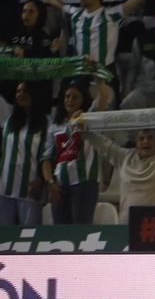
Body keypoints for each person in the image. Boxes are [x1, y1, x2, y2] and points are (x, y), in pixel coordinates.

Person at [44, 79, 112, 225]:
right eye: (67, 96)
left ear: (83, 99)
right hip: (60, 185)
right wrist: (50, 183)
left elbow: (104, 96)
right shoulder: (55, 125)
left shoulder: (90, 118)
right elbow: (46, 158)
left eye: (75, 96)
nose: (70, 100)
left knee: (80, 233)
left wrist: (98, 78)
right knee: (61, 236)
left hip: (85, 183)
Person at [0, 82, 50, 225]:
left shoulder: (46, 122)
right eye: (18, 91)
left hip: (30, 188)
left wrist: (42, 179)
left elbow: (48, 153)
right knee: (3, 237)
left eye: (26, 91)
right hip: (4, 187)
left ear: (34, 94)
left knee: (29, 235)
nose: (21, 94)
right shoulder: (9, 118)